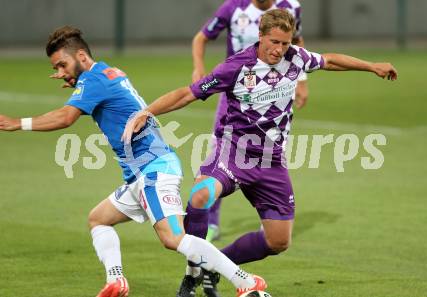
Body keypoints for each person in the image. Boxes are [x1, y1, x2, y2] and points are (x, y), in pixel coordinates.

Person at [123, 9, 397, 297]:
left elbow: (329, 60)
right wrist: (147, 111)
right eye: (274, 42)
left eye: (285, 43)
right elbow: (188, 93)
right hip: (234, 153)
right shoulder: (236, 67)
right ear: (261, 36)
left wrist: (371, 66)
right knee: (201, 195)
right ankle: (192, 272)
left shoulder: (296, 57)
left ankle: (213, 267)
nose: (280, 49)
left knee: (279, 241)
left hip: (272, 161)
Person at [0, 26, 268, 297]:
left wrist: (16, 123)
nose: (60, 72)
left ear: (81, 56)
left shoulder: (94, 80)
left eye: (62, 64)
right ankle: (116, 280)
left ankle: (245, 280)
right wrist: (77, 84)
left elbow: (65, 117)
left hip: (154, 171)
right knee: (99, 219)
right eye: (56, 67)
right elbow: (106, 107)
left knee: (173, 238)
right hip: (141, 175)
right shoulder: (106, 73)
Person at [192, 0, 308, 243]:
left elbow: (297, 42)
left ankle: (268, 211)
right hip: (237, 90)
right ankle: (211, 222)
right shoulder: (233, 8)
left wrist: (302, 81)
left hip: (275, 87)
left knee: (272, 147)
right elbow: (201, 37)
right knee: (220, 154)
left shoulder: (290, 7)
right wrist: (198, 67)